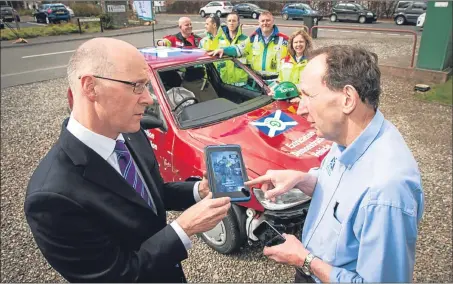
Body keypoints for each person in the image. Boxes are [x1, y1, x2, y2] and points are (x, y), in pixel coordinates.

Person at [24, 37, 231, 283]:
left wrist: (199, 190)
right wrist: (183, 229)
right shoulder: (51, 197)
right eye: (136, 86)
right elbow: (117, 276)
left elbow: (151, 195)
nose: (149, 99)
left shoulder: (130, 133)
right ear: (91, 88)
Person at [245, 45, 424, 283]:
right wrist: (303, 179)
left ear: (347, 99)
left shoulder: (386, 191)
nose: (300, 108)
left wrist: (305, 261)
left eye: (308, 96)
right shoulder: (349, 138)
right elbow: (343, 187)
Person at [208, 11, 289, 80]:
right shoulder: (252, 39)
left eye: (268, 20)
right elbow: (238, 49)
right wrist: (224, 50)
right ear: (259, 22)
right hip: (258, 82)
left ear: (273, 21)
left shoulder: (284, 40)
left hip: (276, 81)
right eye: (263, 21)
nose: (265, 23)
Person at [216, 12, 249, 86]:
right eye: (229, 21)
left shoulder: (245, 39)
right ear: (226, 23)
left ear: (238, 23)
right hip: (225, 81)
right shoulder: (221, 39)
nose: (231, 23)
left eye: (234, 21)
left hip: (240, 82)